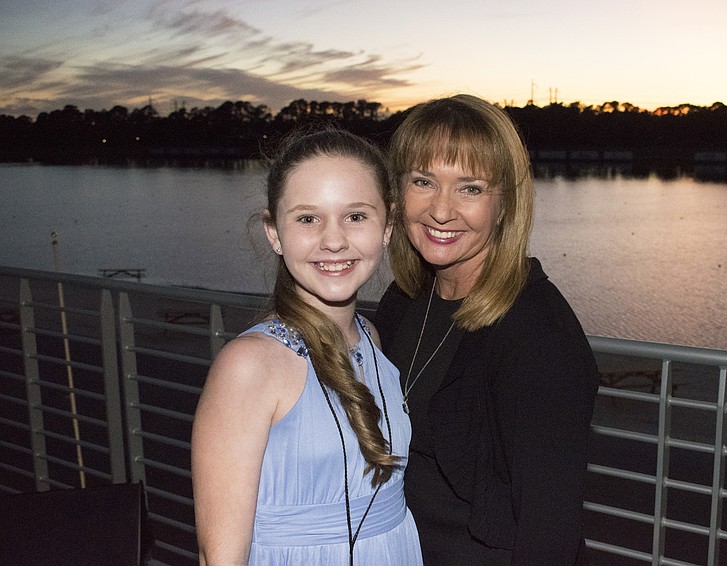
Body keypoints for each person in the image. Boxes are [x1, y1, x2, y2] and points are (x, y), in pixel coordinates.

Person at [374, 94, 599, 565]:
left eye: (470, 188)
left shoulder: (537, 334)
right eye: (423, 181)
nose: (441, 210)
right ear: (397, 192)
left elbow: (549, 535)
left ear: (504, 204)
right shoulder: (402, 305)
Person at [192, 128, 422, 565]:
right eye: (307, 218)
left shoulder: (371, 341)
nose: (333, 240)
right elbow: (219, 557)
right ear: (274, 233)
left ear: (388, 226)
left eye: (356, 216)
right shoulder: (250, 366)